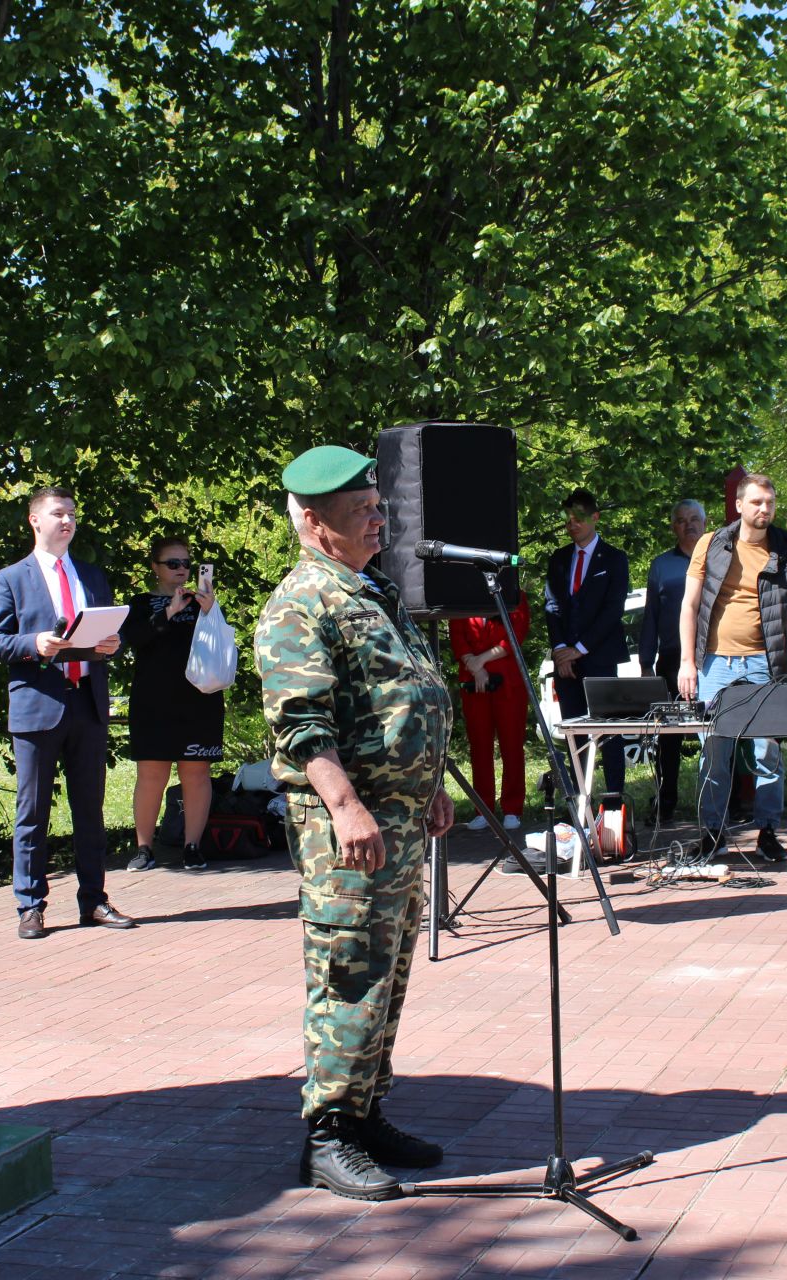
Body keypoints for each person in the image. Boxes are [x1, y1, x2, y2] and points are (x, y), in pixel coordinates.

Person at [255, 445, 455, 1201]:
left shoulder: (371, 592)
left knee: (391, 969)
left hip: (398, 820)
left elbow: (407, 697)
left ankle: (366, 1112)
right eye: (362, 511)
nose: (381, 518)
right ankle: (327, 1136)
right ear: (314, 522)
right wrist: (346, 806)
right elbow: (302, 727)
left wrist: (428, 787)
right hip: (349, 827)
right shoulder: (300, 604)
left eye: (378, 505)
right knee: (349, 973)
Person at [0, 486, 135, 939]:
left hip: (87, 703)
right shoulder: (12, 578)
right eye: (57, 513)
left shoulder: (91, 575)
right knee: (32, 812)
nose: (66, 521)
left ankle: (94, 901)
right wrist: (32, 644)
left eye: (71, 513)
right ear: (34, 521)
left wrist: (112, 644)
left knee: (90, 808)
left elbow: (104, 633)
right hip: (38, 707)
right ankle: (30, 906)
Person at [676, 473, 787, 858]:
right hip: (715, 663)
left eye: (769, 502)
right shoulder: (711, 543)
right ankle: (712, 832)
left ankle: (767, 831)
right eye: (756, 502)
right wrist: (687, 662)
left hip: (764, 663)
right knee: (715, 751)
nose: (764, 509)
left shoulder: (786, 548)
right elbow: (689, 604)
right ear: (739, 505)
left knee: (767, 751)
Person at [121, 535, 226, 872]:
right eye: (173, 563)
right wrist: (170, 611)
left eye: (186, 563)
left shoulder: (203, 602)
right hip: (153, 700)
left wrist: (210, 608)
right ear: (156, 567)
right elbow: (134, 639)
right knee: (151, 774)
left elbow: (222, 642)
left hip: (199, 701)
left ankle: (192, 846)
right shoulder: (139, 604)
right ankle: (143, 848)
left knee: (196, 774)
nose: (182, 569)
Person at [545, 488, 631, 796]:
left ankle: (614, 800)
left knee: (609, 733)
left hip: (600, 658)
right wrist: (560, 652)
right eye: (567, 520)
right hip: (566, 664)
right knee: (575, 733)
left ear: (595, 517)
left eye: (578, 519)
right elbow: (552, 607)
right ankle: (580, 799)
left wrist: (579, 650)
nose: (572, 525)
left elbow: (613, 610)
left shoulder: (615, 558)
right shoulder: (558, 559)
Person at [640, 499, 707, 820]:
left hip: (711, 659)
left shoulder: (720, 560)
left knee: (718, 733)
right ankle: (665, 802)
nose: (689, 525)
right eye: (681, 520)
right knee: (669, 738)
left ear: (706, 523)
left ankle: (725, 803)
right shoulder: (661, 565)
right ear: (673, 527)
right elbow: (650, 616)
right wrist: (644, 663)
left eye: (695, 519)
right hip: (669, 661)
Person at [449, 595, 532, 830]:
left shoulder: (514, 596)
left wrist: (480, 661)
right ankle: (482, 809)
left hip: (509, 685)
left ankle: (512, 809)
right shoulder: (463, 599)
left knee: (512, 745)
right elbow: (457, 635)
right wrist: (473, 667)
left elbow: (514, 637)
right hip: (474, 683)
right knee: (479, 746)